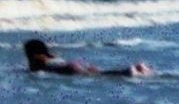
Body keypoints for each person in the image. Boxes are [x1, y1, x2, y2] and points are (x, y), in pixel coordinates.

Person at [23, 38, 152, 77]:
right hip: (72, 65)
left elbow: (34, 70)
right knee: (102, 73)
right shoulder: (51, 57)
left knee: (103, 75)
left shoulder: (37, 59)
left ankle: (129, 71)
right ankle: (137, 68)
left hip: (69, 68)